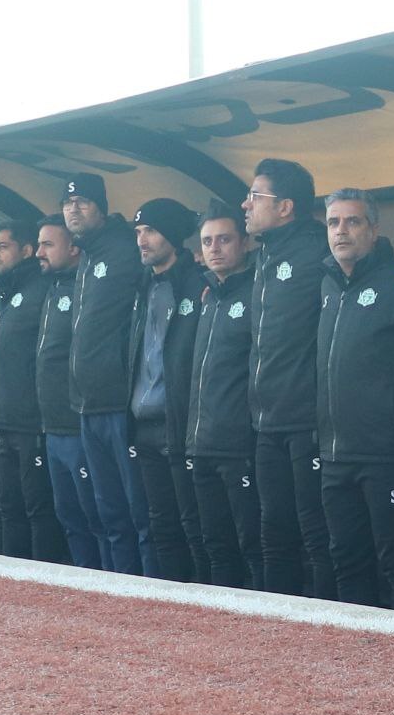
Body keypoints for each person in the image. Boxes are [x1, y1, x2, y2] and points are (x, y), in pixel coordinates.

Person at [318, 188, 394, 612]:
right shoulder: (327, 284)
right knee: (346, 561)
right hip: (334, 455)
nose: (341, 231)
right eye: (333, 222)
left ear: (374, 228)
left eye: (353, 221)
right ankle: (357, 649)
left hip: (387, 454)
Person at [243, 158, 335, 597]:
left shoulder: (318, 247)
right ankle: (277, 623)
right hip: (265, 421)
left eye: (254, 196)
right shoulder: (263, 255)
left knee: (316, 535)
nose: (246, 205)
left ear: (285, 207)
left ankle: (329, 622)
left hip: (306, 421)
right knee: (273, 532)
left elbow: (368, 260)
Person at [64, 173, 152, 575]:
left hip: (120, 402)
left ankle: (152, 592)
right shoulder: (87, 256)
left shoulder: (123, 247)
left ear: (100, 207)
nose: (74, 209)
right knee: (109, 512)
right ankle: (121, 590)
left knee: (139, 512)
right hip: (88, 403)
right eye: (68, 204)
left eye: (82, 202)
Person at [129, 198, 206, 583]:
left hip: (181, 424)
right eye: (138, 231)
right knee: (161, 525)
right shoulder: (142, 286)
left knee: (195, 527)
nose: (142, 240)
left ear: (173, 236)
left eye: (151, 231)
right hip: (143, 425)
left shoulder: (199, 283)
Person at [187, 202, 262, 589]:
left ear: (245, 242)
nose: (214, 249)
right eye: (207, 241)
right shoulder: (207, 297)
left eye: (224, 239)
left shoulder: (259, 292)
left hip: (240, 446)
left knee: (254, 546)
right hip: (201, 445)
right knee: (216, 546)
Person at [0, 219, 66, 562]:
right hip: (2, 420)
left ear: (27, 250)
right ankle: (11, 582)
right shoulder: (1, 293)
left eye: (2, 247)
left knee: (38, 509)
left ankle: (44, 582)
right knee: (8, 505)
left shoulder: (43, 288)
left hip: (32, 422)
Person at [35, 215, 105, 569]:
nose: (39, 252)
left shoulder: (85, 289)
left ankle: (109, 585)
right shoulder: (51, 289)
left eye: (48, 244)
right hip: (51, 429)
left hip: (77, 426)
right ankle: (83, 585)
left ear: (74, 248)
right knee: (69, 518)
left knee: (96, 517)